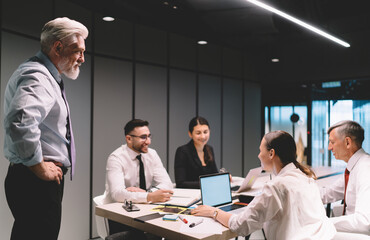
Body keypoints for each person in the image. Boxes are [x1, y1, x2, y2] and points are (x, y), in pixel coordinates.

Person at [3, 17, 88, 240]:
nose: (82, 58)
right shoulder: (38, 76)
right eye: (78, 51)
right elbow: (20, 122)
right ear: (58, 47)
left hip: (33, 181)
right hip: (35, 183)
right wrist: (39, 167)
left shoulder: (45, 75)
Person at [192, 131, 336, 240]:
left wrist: (213, 212)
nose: (258, 155)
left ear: (271, 153)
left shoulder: (277, 186)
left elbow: (241, 225)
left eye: (260, 151)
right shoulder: (306, 177)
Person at [103, 119, 173, 236]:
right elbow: (117, 194)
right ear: (129, 139)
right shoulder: (116, 158)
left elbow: (167, 183)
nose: (148, 141)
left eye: (149, 136)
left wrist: (148, 193)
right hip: (121, 214)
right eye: (143, 137)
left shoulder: (152, 154)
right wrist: (149, 196)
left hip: (146, 209)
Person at [320, 120, 370, 234]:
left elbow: (364, 221)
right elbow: (329, 192)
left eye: (332, 142)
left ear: (347, 142)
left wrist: (324, 223)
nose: (329, 147)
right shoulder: (354, 167)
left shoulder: (365, 169)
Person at [174, 116, 218, 188]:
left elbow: (215, 176)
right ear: (190, 134)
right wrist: (207, 183)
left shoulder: (210, 149)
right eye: (198, 133)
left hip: (208, 193)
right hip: (191, 195)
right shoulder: (182, 151)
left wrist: (223, 178)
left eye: (205, 132)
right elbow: (180, 183)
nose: (203, 136)